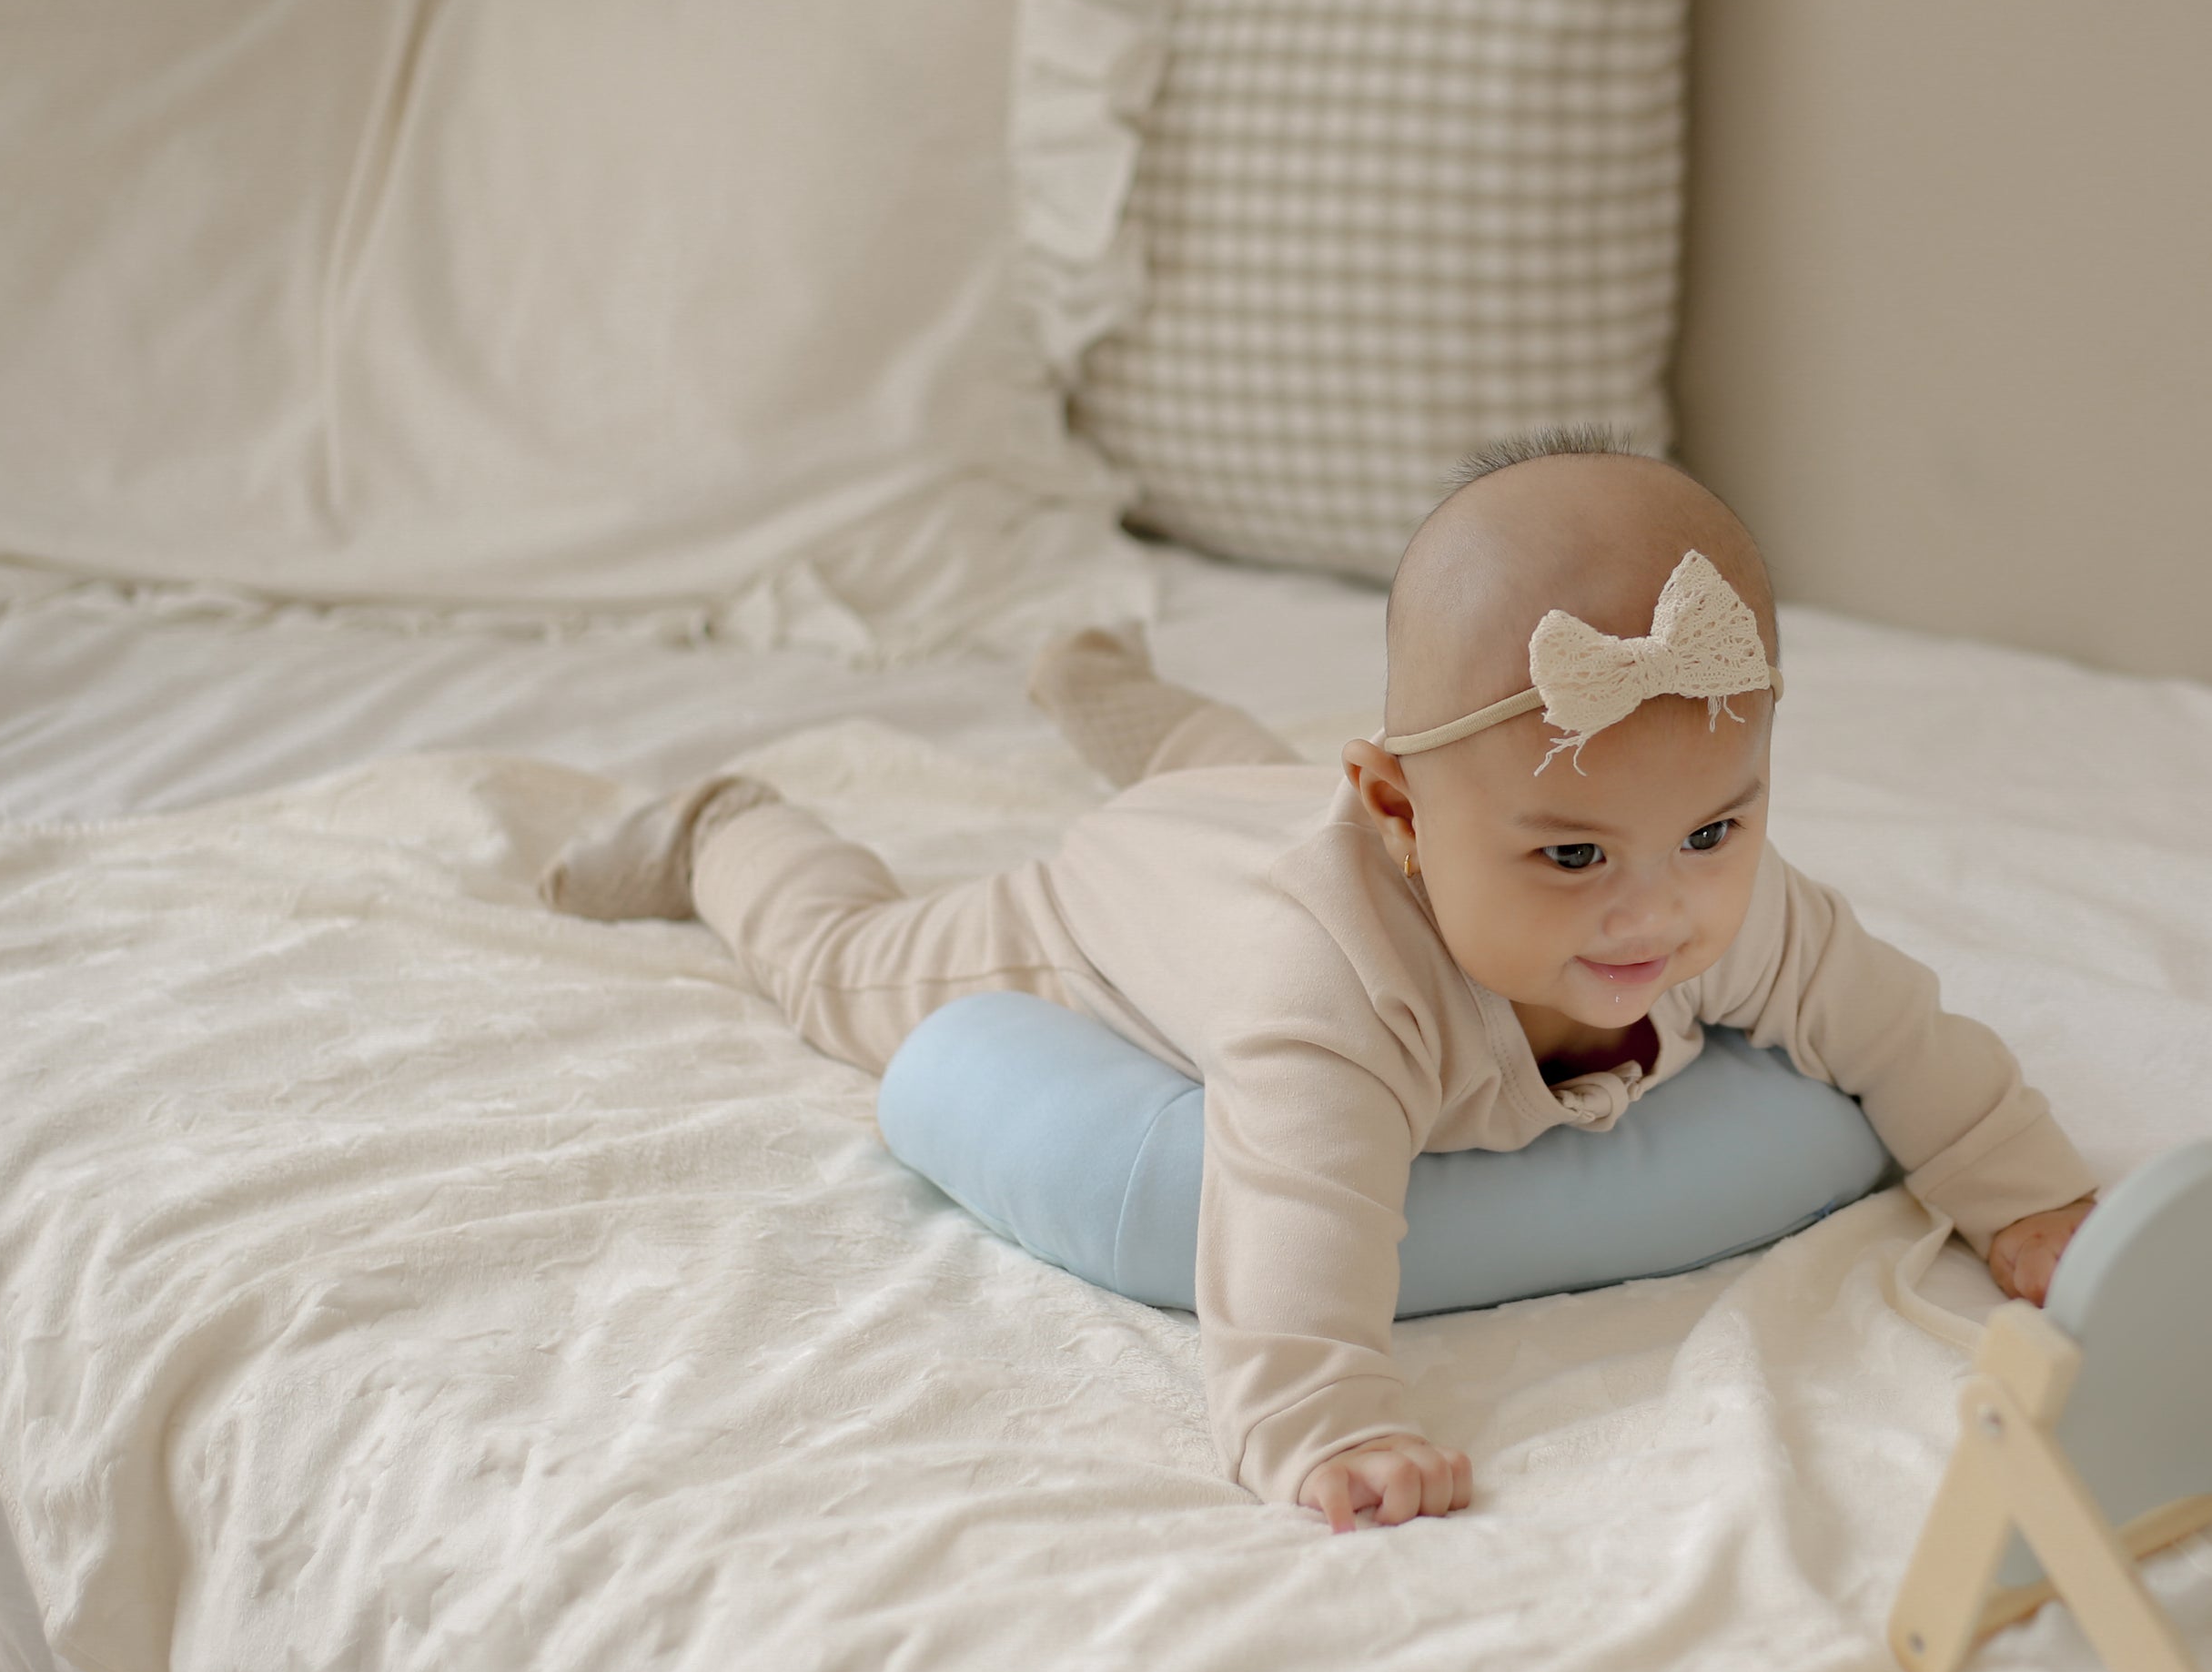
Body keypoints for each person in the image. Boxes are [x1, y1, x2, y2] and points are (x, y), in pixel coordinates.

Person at [544, 441, 2101, 1532]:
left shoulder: (1723, 910)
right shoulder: (1332, 995)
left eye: (1713, 826)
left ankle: (1119, 694)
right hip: (1129, 905)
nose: (1655, 911)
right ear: (1405, 817)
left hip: (1285, 808)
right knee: (847, 973)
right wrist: (1327, 1427)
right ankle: (726, 829)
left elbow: (1904, 1029)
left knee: (1255, 779)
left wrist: (2022, 1194)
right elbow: (1291, 1223)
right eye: (1572, 858)